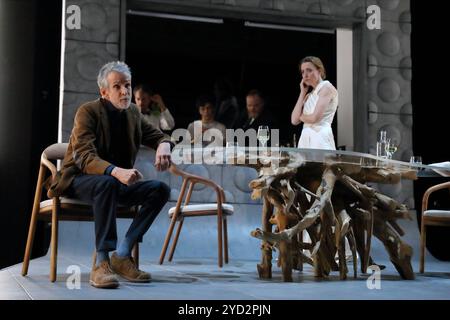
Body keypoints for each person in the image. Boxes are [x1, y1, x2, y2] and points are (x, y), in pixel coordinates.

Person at [47, 61, 173, 289]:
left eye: (127, 85)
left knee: (160, 189)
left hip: (115, 183)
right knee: (107, 182)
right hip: (79, 180)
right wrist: (116, 171)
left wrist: (164, 144)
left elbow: (158, 135)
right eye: (117, 86)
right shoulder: (88, 111)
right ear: (104, 92)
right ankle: (102, 262)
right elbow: (83, 156)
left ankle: (122, 255)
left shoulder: (133, 113)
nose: (124, 91)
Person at [291, 56, 338, 150]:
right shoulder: (309, 95)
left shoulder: (326, 88)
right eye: (303, 72)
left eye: (309, 70)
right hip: (306, 138)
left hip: (320, 138)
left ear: (319, 71)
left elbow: (315, 118)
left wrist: (301, 116)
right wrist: (302, 93)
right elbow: (294, 120)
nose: (305, 75)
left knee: (320, 164)